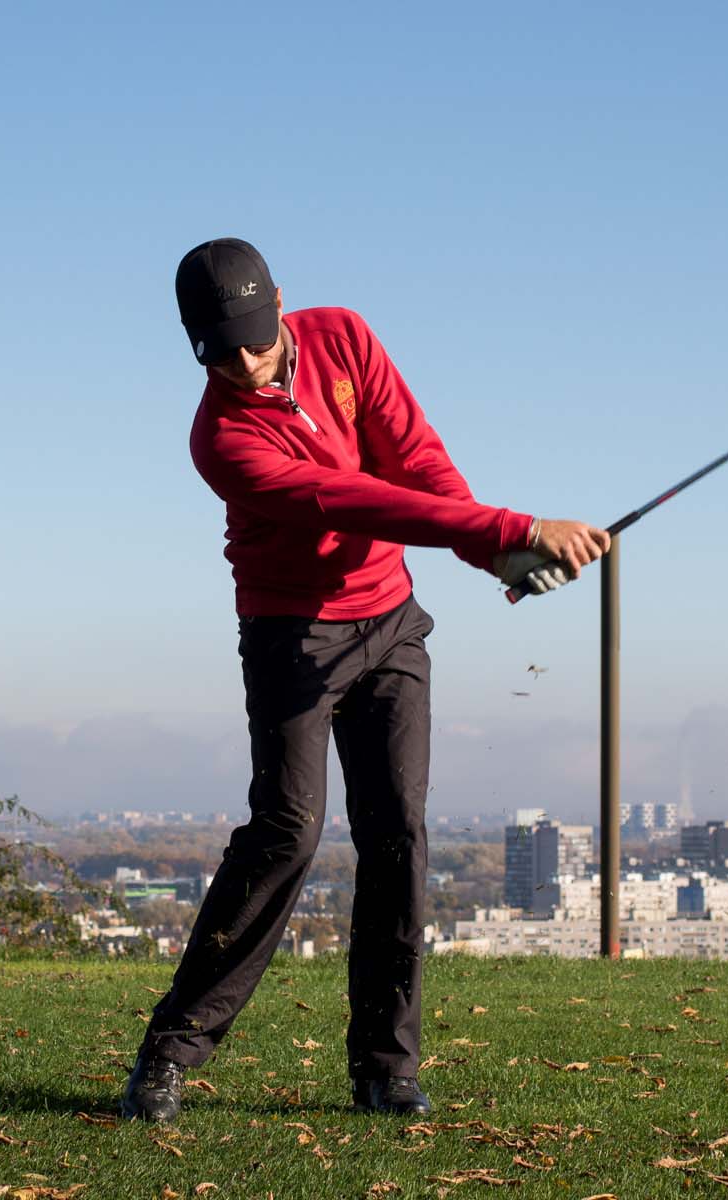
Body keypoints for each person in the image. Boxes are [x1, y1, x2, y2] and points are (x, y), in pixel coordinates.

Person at [121, 238, 611, 1122]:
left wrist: (490, 550)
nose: (245, 362)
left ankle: (387, 1069)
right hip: (292, 632)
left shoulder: (343, 336)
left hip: (390, 623)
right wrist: (515, 527)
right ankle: (170, 1051)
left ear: (281, 304)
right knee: (287, 833)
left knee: (398, 834)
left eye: (256, 338)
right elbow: (346, 498)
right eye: (219, 350)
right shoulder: (222, 438)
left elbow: (413, 458)